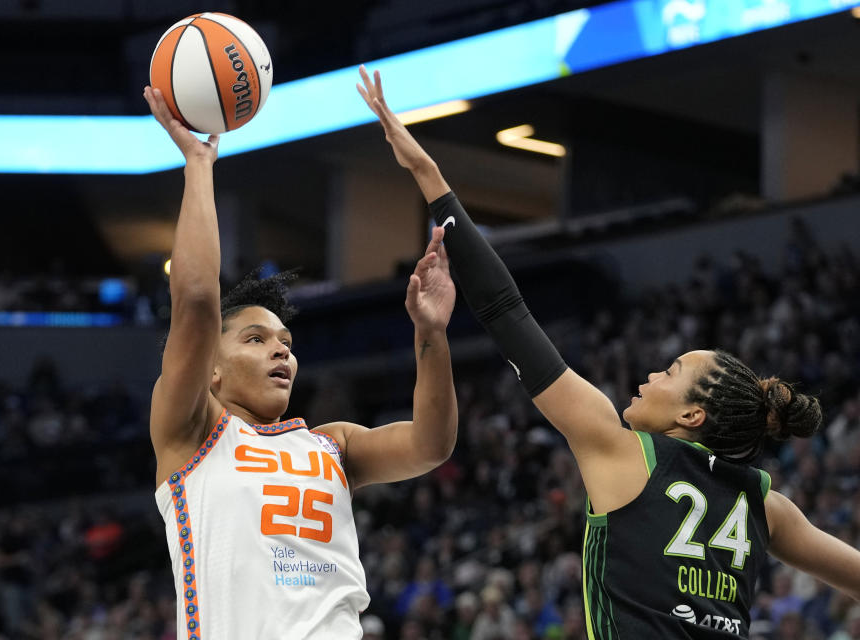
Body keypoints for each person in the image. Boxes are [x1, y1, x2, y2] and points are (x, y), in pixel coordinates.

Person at [358, 65, 860, 639]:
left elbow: (504, 309)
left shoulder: (623, 451)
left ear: (690, 416)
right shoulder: (767, 505)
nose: (650, 374)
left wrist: (428, 175)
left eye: (672, 371)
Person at [143, 85, 459, 639]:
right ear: (210, 371)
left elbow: (431, 444)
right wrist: (198, 165)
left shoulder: (332, 444)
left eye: (285, 341)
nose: (281, 349)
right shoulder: (190, 435)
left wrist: (430, 334)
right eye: (256, 339)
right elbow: (195, 302)